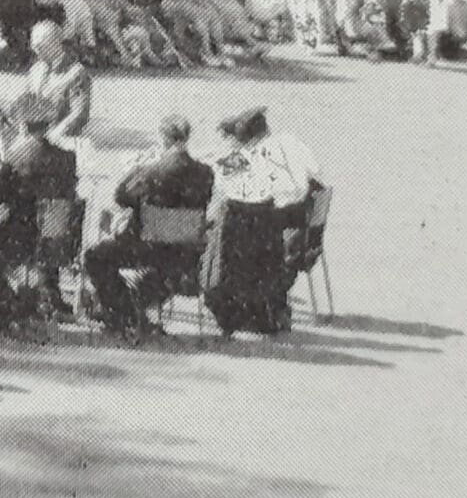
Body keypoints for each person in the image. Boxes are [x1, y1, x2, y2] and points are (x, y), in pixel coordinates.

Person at [82, 116, 214, 334]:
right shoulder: (205, 173)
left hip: (147, 248)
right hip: (184, 251)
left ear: (164, 140)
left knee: (95, 257)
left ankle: (124, 312)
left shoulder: (151, 172)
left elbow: (121, 197)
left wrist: (136, 168)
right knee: (160, 268)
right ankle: (137, 307)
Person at [205, 105, 320, 337]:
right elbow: (314, 175)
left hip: (252, 232)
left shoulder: (239, 160)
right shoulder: (289, 143)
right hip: (294, 228)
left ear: (242, 138)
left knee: (223, 227)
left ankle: (233, 312)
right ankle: (267, 309)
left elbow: (219, 191)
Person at [0, 99, 80, 323]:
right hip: (58, 236)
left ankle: (11, 302)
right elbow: (70, 192)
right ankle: (49, 292)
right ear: (47, 125)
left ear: (24, 126)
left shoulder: (15, 157)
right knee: (49, 231)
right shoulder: (67, 158)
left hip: (21, 237)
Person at [22, 20, 92, 145]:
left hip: (60, 142)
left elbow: (79, 114)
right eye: (35, 46)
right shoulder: (35, 70)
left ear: (55, 43)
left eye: (40, 46)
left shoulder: (76, 72)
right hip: (32, 139)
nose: (36, 51)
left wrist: (54, 135)